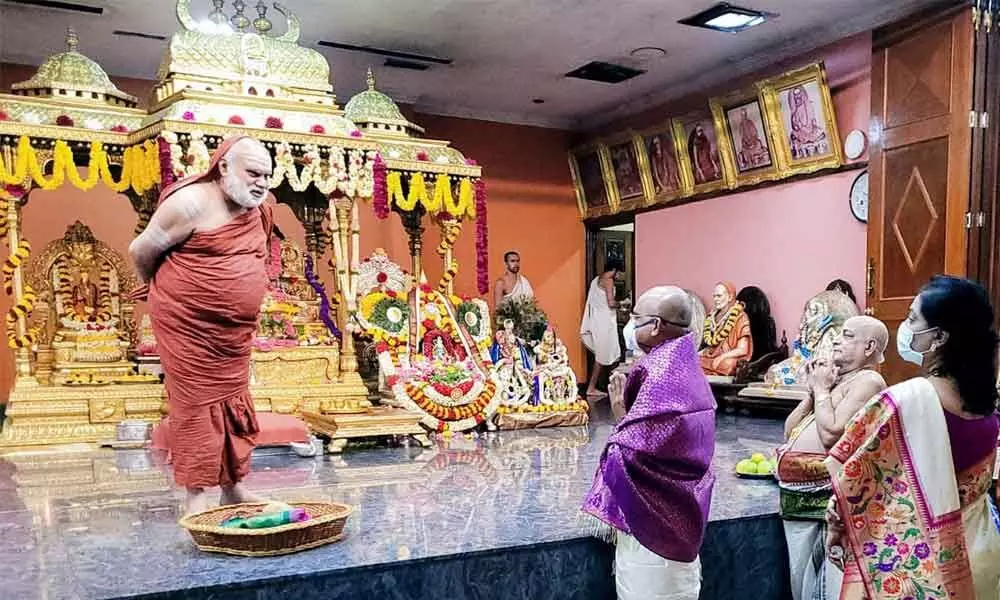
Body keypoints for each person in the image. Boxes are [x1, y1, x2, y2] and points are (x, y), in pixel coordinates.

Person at [826, 276, 1000, 599]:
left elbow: (852, 477)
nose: (905, 328)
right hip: (982, 558)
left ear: (938, 338)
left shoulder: (904, 402)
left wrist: (836, 526)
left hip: (921, 573)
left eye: (912, 319)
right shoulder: (989, 408)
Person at [128, 136, 274, 516]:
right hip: (187, 326)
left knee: (234, 402)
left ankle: (234, 487)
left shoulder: (259, 210)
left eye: (268, 176)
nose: (261, 183)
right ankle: (196, 497)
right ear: (223, 166)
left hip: (234, 333)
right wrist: (162, 290)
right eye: (254, 173)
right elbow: (141, 251)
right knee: (195, 407)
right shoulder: (189, 203)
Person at [582, 285, 715, 600]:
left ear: (655, 326)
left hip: (655, 529)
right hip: (682, 518)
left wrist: (620, 416)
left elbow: (630, 455)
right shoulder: (684, 363)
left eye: (635, 317)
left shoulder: (659, 373)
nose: (630, 323)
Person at [778, 316, 889, 600]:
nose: (837, 340)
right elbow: (790, 430)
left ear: (869, 347)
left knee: (823, 583)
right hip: (798, 498)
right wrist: (813, 392)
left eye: (848, 335)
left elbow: (833, 436)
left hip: (826, 499)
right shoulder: (838, 379)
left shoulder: (869, 380)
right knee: (800, 578)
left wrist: (822, 390)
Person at [580, 261, 623, 397]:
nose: (620, 276)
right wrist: (621, 304)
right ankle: (592, 388)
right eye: (619, 273)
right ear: (615, 270)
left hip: (597, 321)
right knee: (603, 356)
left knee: (610, 354)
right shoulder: (608, 281)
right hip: (605, 322)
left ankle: (612, 386)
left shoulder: (596, 280)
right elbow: (610, 303)